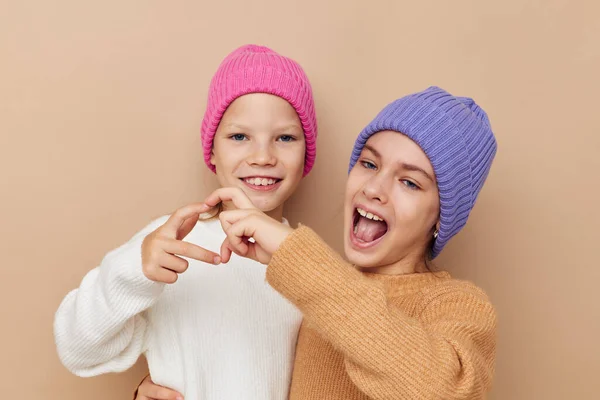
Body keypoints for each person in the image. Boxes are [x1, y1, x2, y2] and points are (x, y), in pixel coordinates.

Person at [137, 86, 497, 399]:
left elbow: (443, 390)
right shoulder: (316, 291)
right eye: (370, 164)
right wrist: (171, 385)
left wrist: (298, 257)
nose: (373, 188)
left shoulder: (457, 304)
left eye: (409, 183)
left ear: (441, 216)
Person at [53, 44, 318, 400]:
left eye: (285, 138)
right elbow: (78, 349)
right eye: (239, 136)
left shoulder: (312, 266)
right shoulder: (170, 244)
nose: (263, 156)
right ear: (211, 149)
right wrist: (134, 272)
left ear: (307, 153)